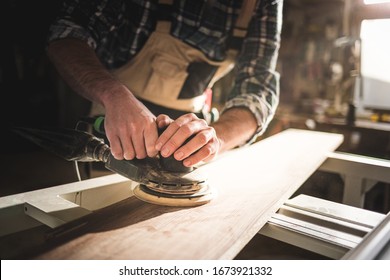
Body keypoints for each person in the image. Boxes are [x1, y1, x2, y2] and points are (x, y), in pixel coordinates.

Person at [46, 0, 283, 168]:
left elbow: (258, 89)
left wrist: (215, 140)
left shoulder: (262, 3)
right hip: (110, 123)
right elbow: (67, 34)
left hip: (188, 132)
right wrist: (113, 95)